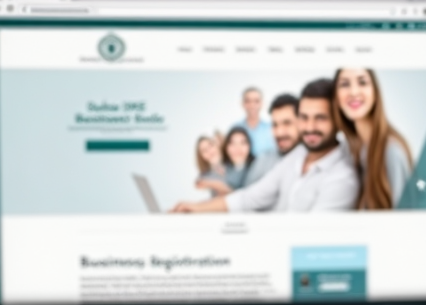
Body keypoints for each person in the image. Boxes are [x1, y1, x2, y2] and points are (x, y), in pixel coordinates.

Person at [172, 79, 358, 214]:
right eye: (304, 117)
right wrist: (195, 208)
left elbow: (311, 240)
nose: (309, 127)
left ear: (339, 120)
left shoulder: (342, 178)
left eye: (320, 118)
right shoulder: (297, 155)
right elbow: (249, 197)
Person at [332, 68, 413, 210]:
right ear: (336, 99)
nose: (353, 92)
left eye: (362, 82)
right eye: (345, 84)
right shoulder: (352, 149)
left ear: (375, 93)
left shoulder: (391, 151)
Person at [243, 93, 300, 186]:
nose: (279, 132)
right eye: (275, 125)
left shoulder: (312, 160)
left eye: (287, 123)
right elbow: (245, 196)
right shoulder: (263, 160)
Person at [234, 87, 276, 155]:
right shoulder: (235, 129)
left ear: (262, 103)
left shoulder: (271, 128)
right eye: (248, 101)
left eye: (256, 101)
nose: (252, 105)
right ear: (242, 104)